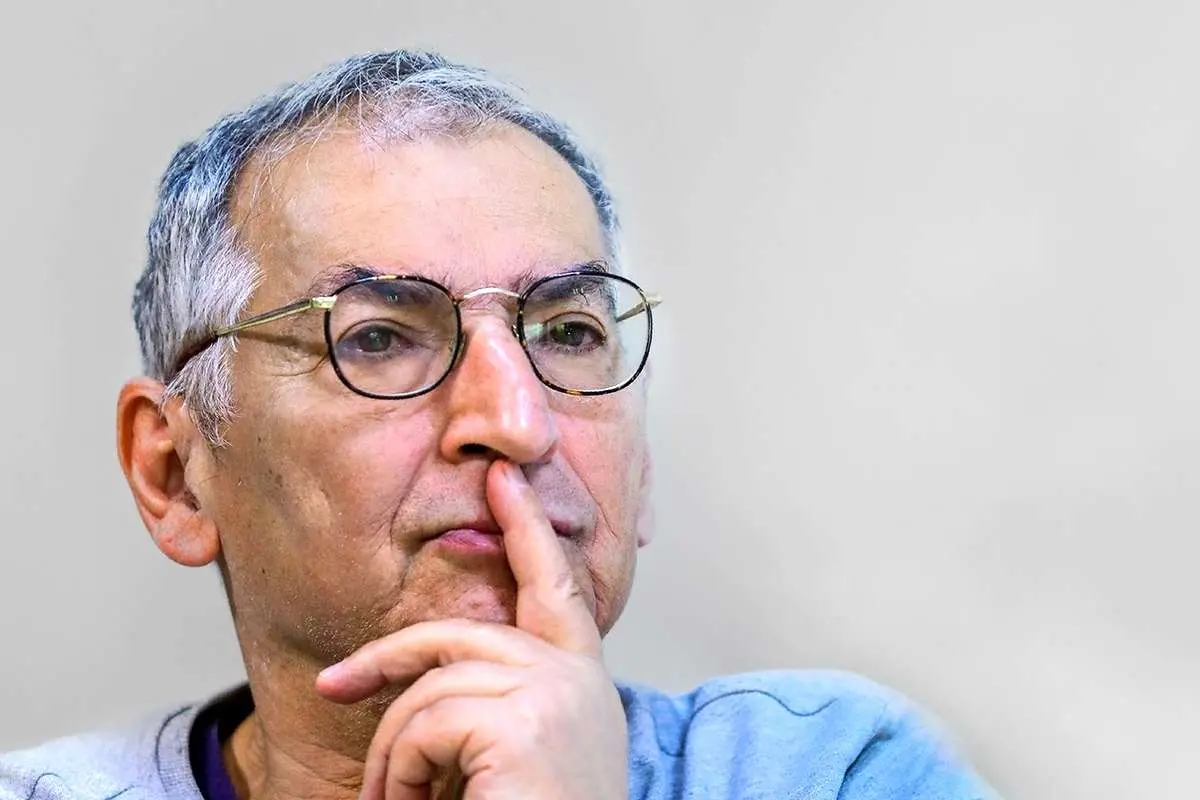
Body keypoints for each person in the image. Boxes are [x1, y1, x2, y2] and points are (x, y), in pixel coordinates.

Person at [0, 49, 997, 799]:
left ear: (641, 467)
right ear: (175, 474)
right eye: (379, 338)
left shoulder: (837, 770)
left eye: (568, 332)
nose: (518, 421)